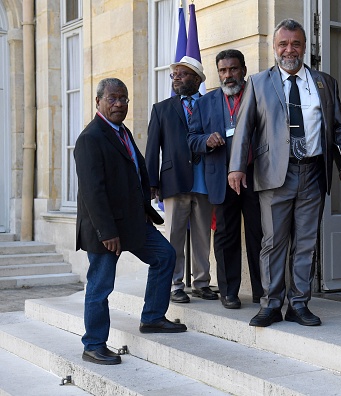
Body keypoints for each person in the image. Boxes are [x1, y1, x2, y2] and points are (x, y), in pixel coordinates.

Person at [228, 19, 341, 327]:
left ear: (304, 47)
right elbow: (244, 129)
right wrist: (235, 167)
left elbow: (337, 126)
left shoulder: (325, 83)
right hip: (275, 175)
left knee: (306, 241)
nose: (289, 50)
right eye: (283, 44)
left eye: (295, 44)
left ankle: (299, 303)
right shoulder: (258, 83)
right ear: (275, 48)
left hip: (313, 172)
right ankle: (271, 304)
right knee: (273, 242)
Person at [75, 78, 187, 366]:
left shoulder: (121, 131)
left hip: (134, 223)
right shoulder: (90, 138)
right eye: (112, 99)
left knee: (165, 256)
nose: (119, 104)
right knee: (100, 287)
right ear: (98, 101)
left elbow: (135, 170)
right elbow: (93, 192)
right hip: (107, 230)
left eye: (123, 98)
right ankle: (93, 345)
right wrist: (107, 232)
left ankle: (152, 317)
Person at [187, 49, 263, 309]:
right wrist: (205, 141)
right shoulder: (205, 103)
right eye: (223, 70)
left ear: (243, 69)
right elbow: (191, 138)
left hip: (256, 177)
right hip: (220, 178)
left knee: (260, 235)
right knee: (226, 236)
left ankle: (262, 292)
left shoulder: (258, 96)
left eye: (232, 69)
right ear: (217, 73)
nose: (228, 75)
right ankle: (229, 292)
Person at [145, 56, 218, 304]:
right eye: (174, 74)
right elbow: (152, 148)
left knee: (201, 236)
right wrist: (151, 183)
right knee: (174, 236)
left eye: (182, 74)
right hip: (174, 181)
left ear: (197, 79)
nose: (176, 78)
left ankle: (201, 283)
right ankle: (175, 284)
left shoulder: (211, 104)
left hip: (205, 181)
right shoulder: (161, 108)